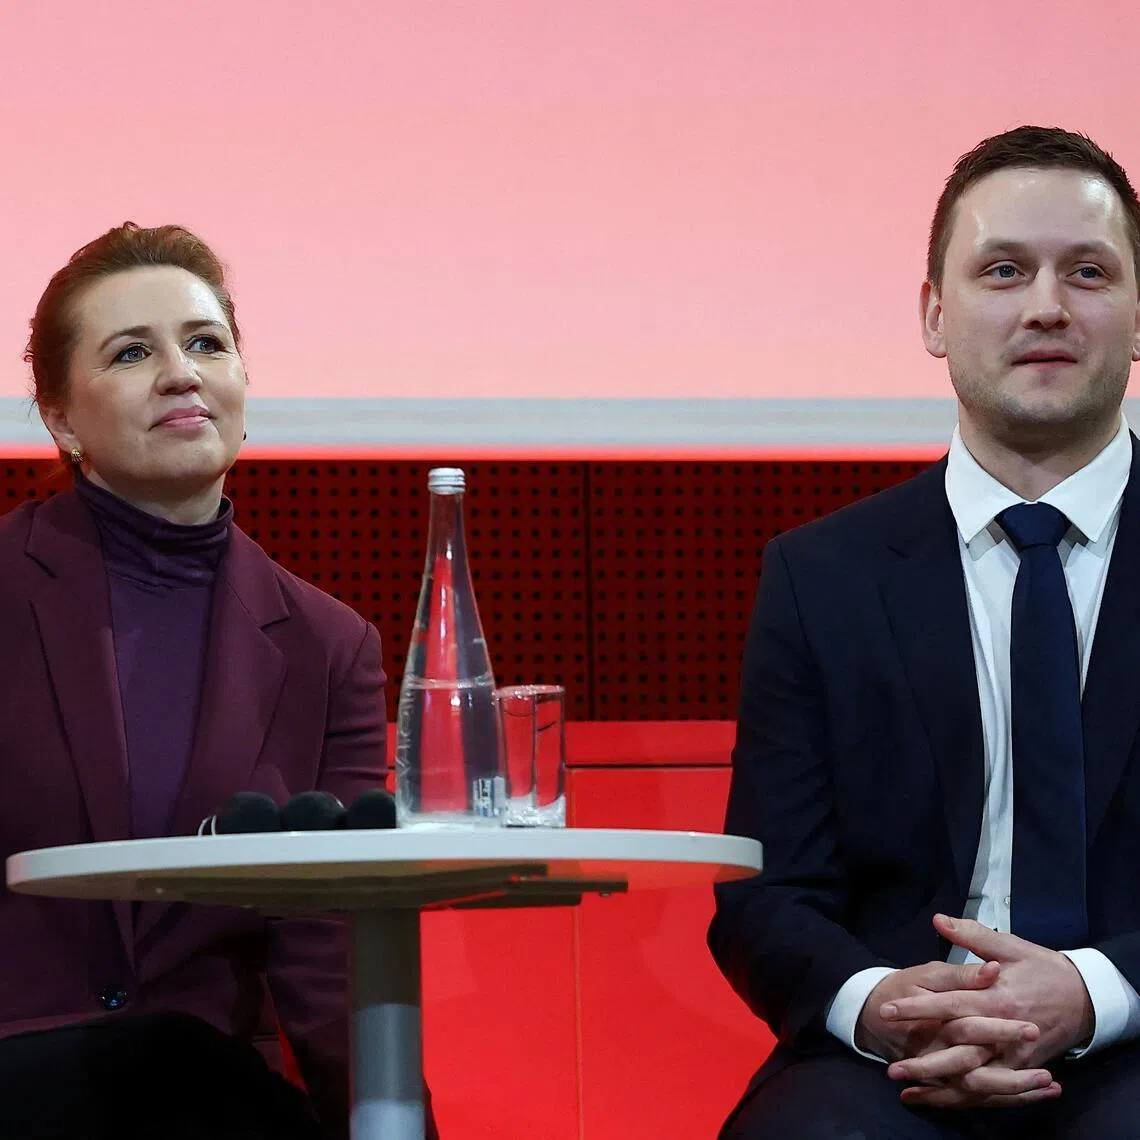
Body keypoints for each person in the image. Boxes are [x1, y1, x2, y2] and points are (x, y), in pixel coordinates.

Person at [709, 125, 1140, 1139]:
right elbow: (767, 899)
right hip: (895, 1056)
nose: (1044, 305)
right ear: (935, 316)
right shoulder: (821, 576)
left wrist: (1090, 992)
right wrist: (883, 1008)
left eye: (1087, 271)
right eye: (1002, 270)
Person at [0, 223, 437, 1139]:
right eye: (132, 352)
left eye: (207, 344)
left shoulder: (328, 643)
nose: (181, 373)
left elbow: (329, 947)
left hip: (208, 1099)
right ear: (61, 417)